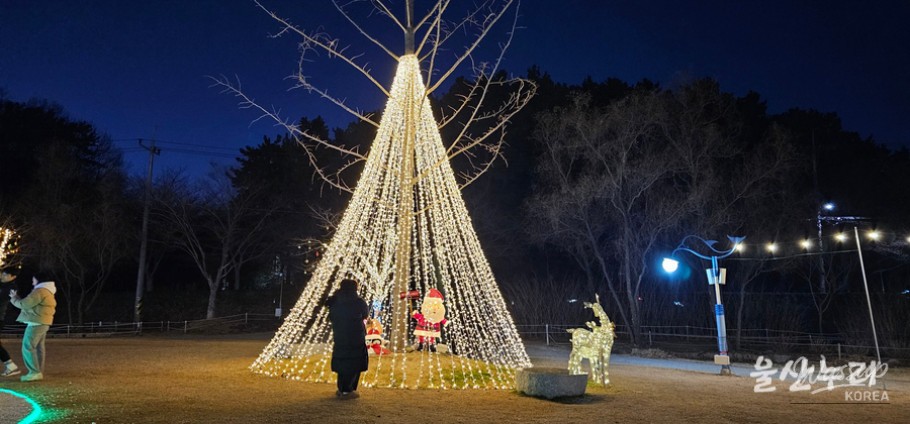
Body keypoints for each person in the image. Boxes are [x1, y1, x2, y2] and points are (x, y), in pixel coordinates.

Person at [8, 272, 57, 382]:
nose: (32, 281)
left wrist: (14, 298)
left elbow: (24, 304)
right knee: (39, 347)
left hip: (36, 322)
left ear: (39, 280)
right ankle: (38, 371)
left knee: (28, 347)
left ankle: (34, 372)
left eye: (33, 279)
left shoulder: (39, 291)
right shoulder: (48, 291)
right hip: (43, 322)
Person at [325, 278, 369, 399]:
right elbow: (365, 314)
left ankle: (342, 388)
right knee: (354, 362)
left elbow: (331, 316)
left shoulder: (335, 301)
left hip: (340, 335)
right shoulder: (358, 302)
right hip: (355, 337)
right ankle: (349, 389)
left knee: (342, 360)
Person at [0, 269, 21, 377]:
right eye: (2, 274)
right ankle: (10, 365)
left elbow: (2, 299)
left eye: (6, 275)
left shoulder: (11, 288)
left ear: (13, 277)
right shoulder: (3, 285)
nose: (3, 276)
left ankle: (11, 366)